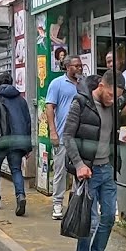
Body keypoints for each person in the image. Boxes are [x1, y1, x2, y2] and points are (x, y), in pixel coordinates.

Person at [64, 70, 126, 251]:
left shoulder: (111, 106)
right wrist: (79, 165)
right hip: (88, 171)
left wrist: (118, 139)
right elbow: (68, 136)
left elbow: (103, 134)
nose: (114, 100)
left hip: (107, 170)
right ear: (103, 86)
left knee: (107, 218)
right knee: (89, 222)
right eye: (112, 95)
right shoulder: (81, 103)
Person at [0, 72, 32, 217]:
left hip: (0, 140)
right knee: (16, 170)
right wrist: (27, 146)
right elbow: (28, 122)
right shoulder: (21, 100)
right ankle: (20, 196)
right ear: (11, 82)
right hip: (17, 140)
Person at [45, 56, 82, 220]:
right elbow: (49, 107)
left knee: (79, 170)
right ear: (67, 67)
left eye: (81, 65)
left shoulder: (84, 84)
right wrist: (53, 132)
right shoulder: (57, 84)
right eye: (76, 66)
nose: (80, 68)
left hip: (80, 136)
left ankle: (75, 203)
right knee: (60, 171)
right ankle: (57, 203)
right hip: (62, 136)